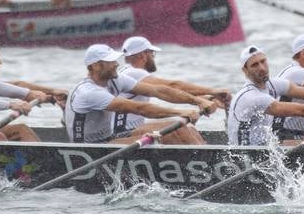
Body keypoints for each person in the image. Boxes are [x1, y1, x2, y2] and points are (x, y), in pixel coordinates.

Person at [65, 43, 204, 145]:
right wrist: (180, 112)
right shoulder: (89, 92)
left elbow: (158, 91)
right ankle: (202, 169)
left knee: (182, 127)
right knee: (168, 136)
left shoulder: (114, 80)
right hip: (90, 149)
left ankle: (207, 161)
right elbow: (139, 108)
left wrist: (197, 101)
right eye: (111, 61)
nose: (116, 64)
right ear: (95, 66)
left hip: (110, 138)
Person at [115, 35, 225, 133]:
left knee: (183, 127)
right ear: (143, 55)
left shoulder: (126, 72)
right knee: (182, 127)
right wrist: (213, 91)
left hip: (127, 128)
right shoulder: (134, 73)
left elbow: (170, 92)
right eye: (152, 53)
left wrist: (206, 98)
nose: (153, 57)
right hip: (124, 131)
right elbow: (171, 87)